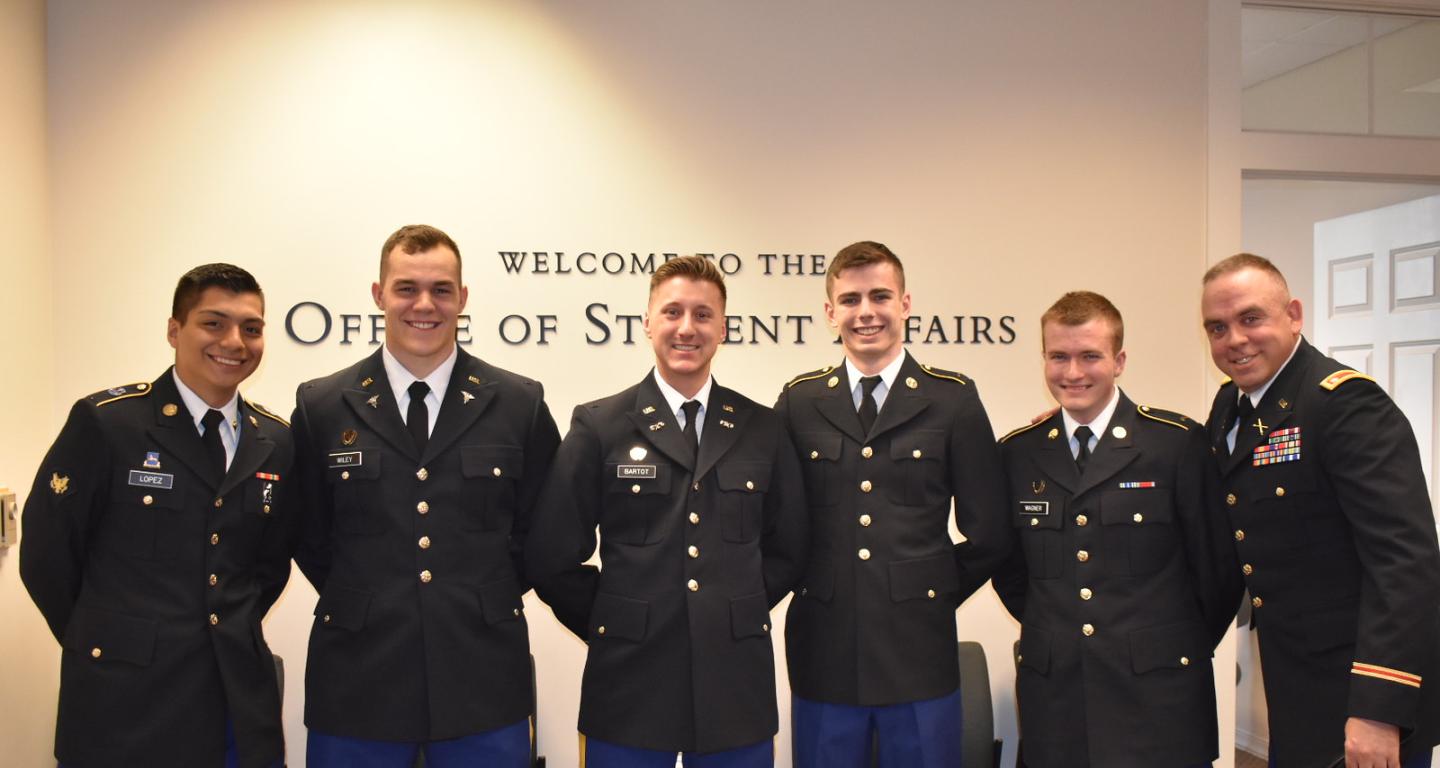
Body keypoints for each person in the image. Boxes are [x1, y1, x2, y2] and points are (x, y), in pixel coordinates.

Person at [291, 224, 560, 767]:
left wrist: (474, 591)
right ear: (378, 295)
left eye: (441, 289)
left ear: (462, 299)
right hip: (358, 676)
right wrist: (370, 595)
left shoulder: (518, 403)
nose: (424, 304)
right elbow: (308, 533)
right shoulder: (322, 405)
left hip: (481, 672)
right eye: (406, 288)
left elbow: (543, 531)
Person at [526, 255, 807, 768]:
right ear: (647, 323)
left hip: (734, 684)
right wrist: (616, 619)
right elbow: (551, 555)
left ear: (723, 327)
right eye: (672, 311)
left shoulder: (763, 428)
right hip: (629, 681)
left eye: (703, 315)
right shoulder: (600, 425)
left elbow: (790, 547)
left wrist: (731, 610)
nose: (687, 328)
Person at [21, 263, 293, 768]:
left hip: (234, 696)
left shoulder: (275, 440)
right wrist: (108, 638)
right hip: (123, 702)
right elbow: (45, 557)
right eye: (214, 322)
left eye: (251, 329)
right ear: (175, 330)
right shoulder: (108, 423)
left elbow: (268, 567)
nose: (234, 341)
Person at [775, 240, 1010, 768]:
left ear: (905, 304)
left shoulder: (952, 399)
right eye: (851, 299)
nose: (866, 312)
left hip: (918, 652)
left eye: (880, 296)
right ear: (830, 313)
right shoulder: (799, 401)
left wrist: (927, 589)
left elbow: (990, 531)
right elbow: (777, 521)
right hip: (824, 649)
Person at [1201, 253, 1440, 768]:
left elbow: (1406, 562)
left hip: (1365, 690)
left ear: (1293, 315)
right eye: (1217, 328)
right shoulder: (1231, 409)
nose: (1234, 340)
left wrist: (1378, 709)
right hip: (1295, 684)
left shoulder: (1345, 405)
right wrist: (1078, 426)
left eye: (1250, 318)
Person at [991, 290, 1242, 767]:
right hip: (1057, 694)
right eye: (1058, 356)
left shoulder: (1176, 445)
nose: (1073, 373)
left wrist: (1162, 644)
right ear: (1043, 359)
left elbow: (1218, 572)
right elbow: (1011, 571)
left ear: (1119, 360)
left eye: (1090, 356)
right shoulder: (1017, 454)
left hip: (1158, 693)